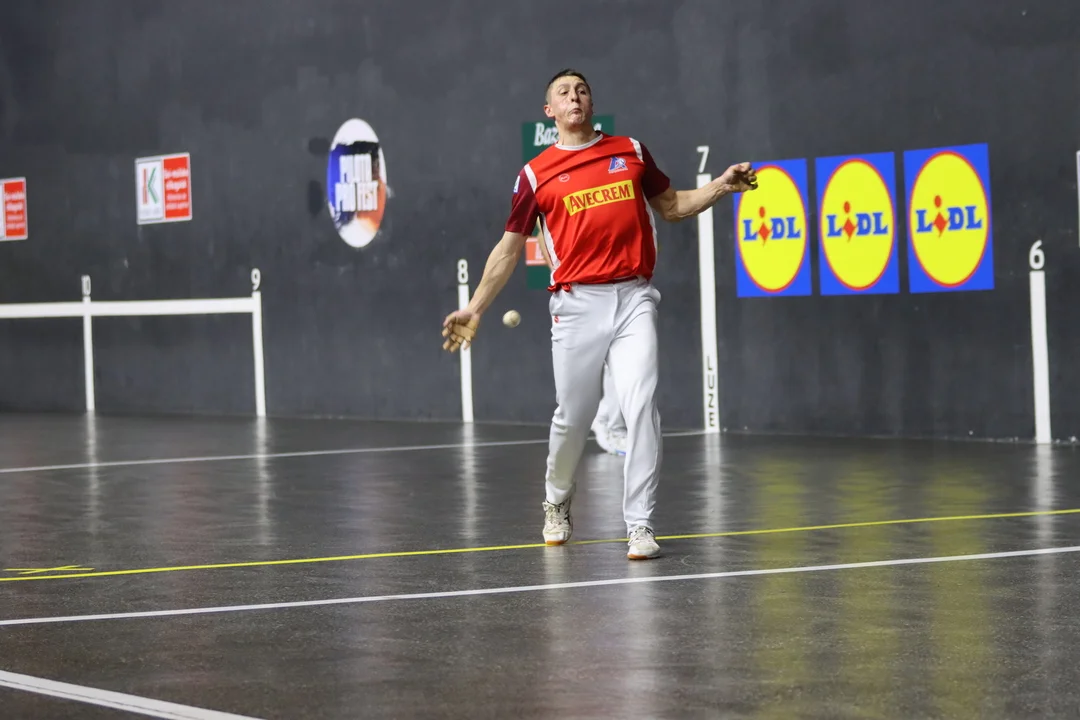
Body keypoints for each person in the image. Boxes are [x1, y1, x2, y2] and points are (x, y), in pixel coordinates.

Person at [441, 68, 757, 560]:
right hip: (576, 305)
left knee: (640, 406)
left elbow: (672, 205)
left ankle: (639, 523)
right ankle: (556, 500)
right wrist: (476, 307)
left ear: (592, 104)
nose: (575, 97)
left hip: (634, 297)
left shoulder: (630, 152)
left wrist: (720, 186)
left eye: (582, 91)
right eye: (564, 93)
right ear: (550, 111)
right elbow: (508, 250)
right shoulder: (535, 174)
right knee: (573, 417)